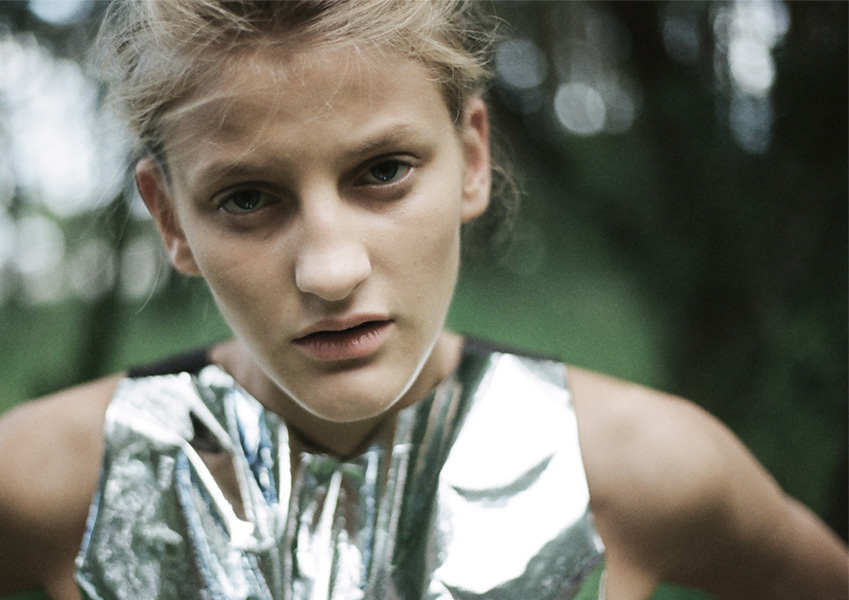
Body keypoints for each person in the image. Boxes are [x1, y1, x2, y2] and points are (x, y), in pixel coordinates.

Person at [0, 1, 846, 599]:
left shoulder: (640, 466)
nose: (330, 271)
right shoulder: (53, 480)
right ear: (170, 220)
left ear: (471, 159)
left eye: (382, 172)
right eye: (247, 198)